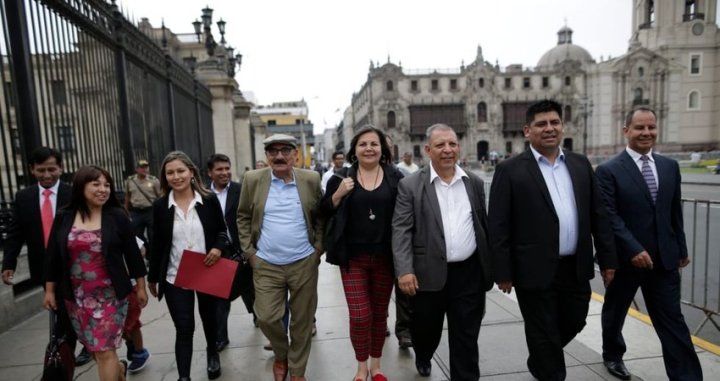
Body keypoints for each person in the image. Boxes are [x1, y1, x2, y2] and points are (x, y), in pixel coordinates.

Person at [488, 100, 617, 380]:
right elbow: (498, 226)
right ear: (527, 130)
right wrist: (503, 271)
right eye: (541, 124)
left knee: (575, 319)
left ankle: (540, 357)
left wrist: (608, 261)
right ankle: (548, 368)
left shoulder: (580, 164)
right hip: (532, 269)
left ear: (562, 126)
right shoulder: (509, 170)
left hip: (576, 267)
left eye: (554, 122)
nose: (549, 129)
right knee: (543, 331)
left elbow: (599, 215)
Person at [596, 107, 703, 381]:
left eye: (651, 128)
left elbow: (673, 212)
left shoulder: (670, 166)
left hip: (664, 260)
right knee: (615, 311)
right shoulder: (608, 170)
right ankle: (613, 355)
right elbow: (610, 216)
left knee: (672, 321)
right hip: (625, 261)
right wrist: (633, 249)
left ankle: (687, 377)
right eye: (640, 128)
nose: (646, 133)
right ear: (626, 131)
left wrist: (681, 247)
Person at [392, 124, 493, 380]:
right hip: (428, 275)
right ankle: (424, 354)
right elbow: (401, 230)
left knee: (466, 338)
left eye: (452, 144)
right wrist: (404, 271)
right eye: (440, 145)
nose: (447, 150)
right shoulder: (410, 186)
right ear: (428, 150)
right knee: (426, 331)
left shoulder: (475, 183)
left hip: (468, 274)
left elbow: (483, 227)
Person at [43, 165, 148, 381]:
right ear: (81, 186)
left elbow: (133, 254)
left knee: (104, 351)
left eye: (107, 185)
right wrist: (50, 291)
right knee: (94, 349)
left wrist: (141, 286)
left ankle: (115, 367)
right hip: (76, 298)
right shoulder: (65, 216)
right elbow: (53, 255)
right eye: (96, 184)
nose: (103, 189)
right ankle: (118, 369)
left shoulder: (117, 216)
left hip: (111, 296)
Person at [237, 134, 324, 381]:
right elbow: (242, 216)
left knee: (302, 321)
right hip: (265, 263)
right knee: (265, 316)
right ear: (266, 156)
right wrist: (250, 253)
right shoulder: (252, 179)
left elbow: (319, 216)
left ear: (295, 154)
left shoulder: (310, 179)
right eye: (272, 151)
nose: (279, 156)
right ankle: (281, 353)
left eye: (285, 150)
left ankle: (297, 371)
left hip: (304, 261)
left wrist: (318, 248)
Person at [322, 126, 403, 381]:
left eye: (374, 144)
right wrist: (338, 194)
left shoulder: (395, 177)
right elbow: (322, 211)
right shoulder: (341, 177)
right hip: (353, 259)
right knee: (359, 315)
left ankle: (376, 366)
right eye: (363, 144)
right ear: (354, 150)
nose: (369, 148)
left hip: (385, 259)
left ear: (382, 149)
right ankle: (361, 366)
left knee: (380, 315)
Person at [1, 146, 92, 367]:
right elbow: (15, 233)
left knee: (79, 307)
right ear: (32, 170)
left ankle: (76, 347)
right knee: (61, 310)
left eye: (52, 169)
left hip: (76, 265)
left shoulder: (74, 194)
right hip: (45, 267)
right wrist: (9, 263)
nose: (47, 174)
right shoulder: (24, 197)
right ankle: (68, 352)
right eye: (41, 170)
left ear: (61, 168)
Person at [147, 151, 228, 381]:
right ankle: (184, 377)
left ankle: (213, 352)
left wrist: (217, 248)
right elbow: (157, 245)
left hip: (207, 270)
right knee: (184, 328)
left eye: (181, 171)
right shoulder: (161, 206)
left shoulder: (209, 200)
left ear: (191, 172)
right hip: (175, 276)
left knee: (209, 319)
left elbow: (222, 232)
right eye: (170, 172)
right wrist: (153, 277)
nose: (176, 176)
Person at [206, 153, 256, 352]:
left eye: (227, 168)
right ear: (210, 172)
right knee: (220, 296)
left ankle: (258, 316)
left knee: (250, 290)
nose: (225, 172)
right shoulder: (202, 194)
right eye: (219, 169)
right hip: (217, 252)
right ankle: (220, 337)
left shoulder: (241, 190)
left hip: (242, 250)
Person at [123, 238, 151, 373]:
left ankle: (140, 353)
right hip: (106, 288)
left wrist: (130, 265)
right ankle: (130, 343)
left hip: (130, 286)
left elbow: (142, 249)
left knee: (132, 322)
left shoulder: (120, 225)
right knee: (119, 328)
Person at [124, 159, 161, 253]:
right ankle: (148, 251)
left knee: (152, 235)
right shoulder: (130, 181)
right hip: (136, 212)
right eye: (142, 168)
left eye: (146, 167)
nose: (144, 170)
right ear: (137, 169)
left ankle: (153, 257)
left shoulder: (154, 181)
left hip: (150, 211)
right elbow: (127, 196)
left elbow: (159, 196)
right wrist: (125, 209)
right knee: (136, 235)